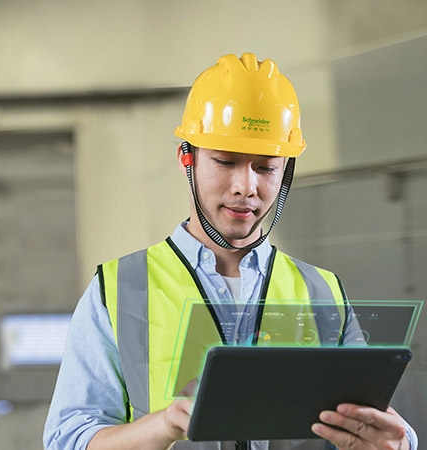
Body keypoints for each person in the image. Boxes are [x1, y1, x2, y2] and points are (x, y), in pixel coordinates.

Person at [43, 53, 418, 450]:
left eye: (266, 166)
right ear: (186, 158)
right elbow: (68, 440)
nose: (246, 186)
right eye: (226, 161)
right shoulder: (118, 289)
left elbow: (370, 422)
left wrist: (397, 443)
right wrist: (165, 425)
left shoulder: (322, 290)